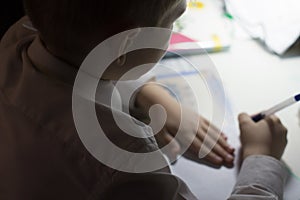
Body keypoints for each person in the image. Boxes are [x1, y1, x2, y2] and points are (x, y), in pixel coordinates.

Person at [0, 0, 288, 199]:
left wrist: (143, 93)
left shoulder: (18, 38)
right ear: (128, 42)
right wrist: (261, 158)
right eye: (174, 18)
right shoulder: (122, 162)